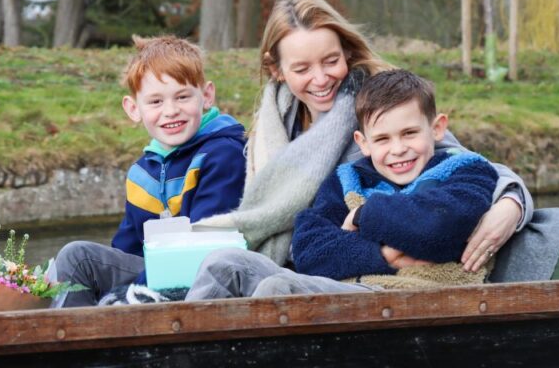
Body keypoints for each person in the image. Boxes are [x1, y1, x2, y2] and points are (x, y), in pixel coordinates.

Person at [193, 0, 531, 277]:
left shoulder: (380, 106)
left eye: (330, 61)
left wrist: (511, 204)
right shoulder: (271, 126)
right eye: (301, 68)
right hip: (310, 260)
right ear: (276, 69)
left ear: (347, 52)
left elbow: (461, 163)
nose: (321, 78)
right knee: (222, 266)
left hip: (370, 272)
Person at [185, 69, 498, 299]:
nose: (398, 149)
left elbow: (436, 230)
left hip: (415, 297)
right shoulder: (347, 181)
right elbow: (310, 251)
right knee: (223, 263)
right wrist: (386, 254)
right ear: (363, 142)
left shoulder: (465, 172)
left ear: (437, 128)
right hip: (346, 288)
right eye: (383, 139)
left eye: (409, 133)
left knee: (279, 290)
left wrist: (362, 217)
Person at [54, 35, 246, 307]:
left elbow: (205, 247)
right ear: (134, 109)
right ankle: (75, 340)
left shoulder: (223, 154)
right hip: (155, 273)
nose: (171, 111)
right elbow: (127, 249)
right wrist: (124, 289)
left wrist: (134, 291)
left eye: (182, 96)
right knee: (77, 257)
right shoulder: (142, 173)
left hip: (207, 277)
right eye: (156, 102)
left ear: (206, 95)